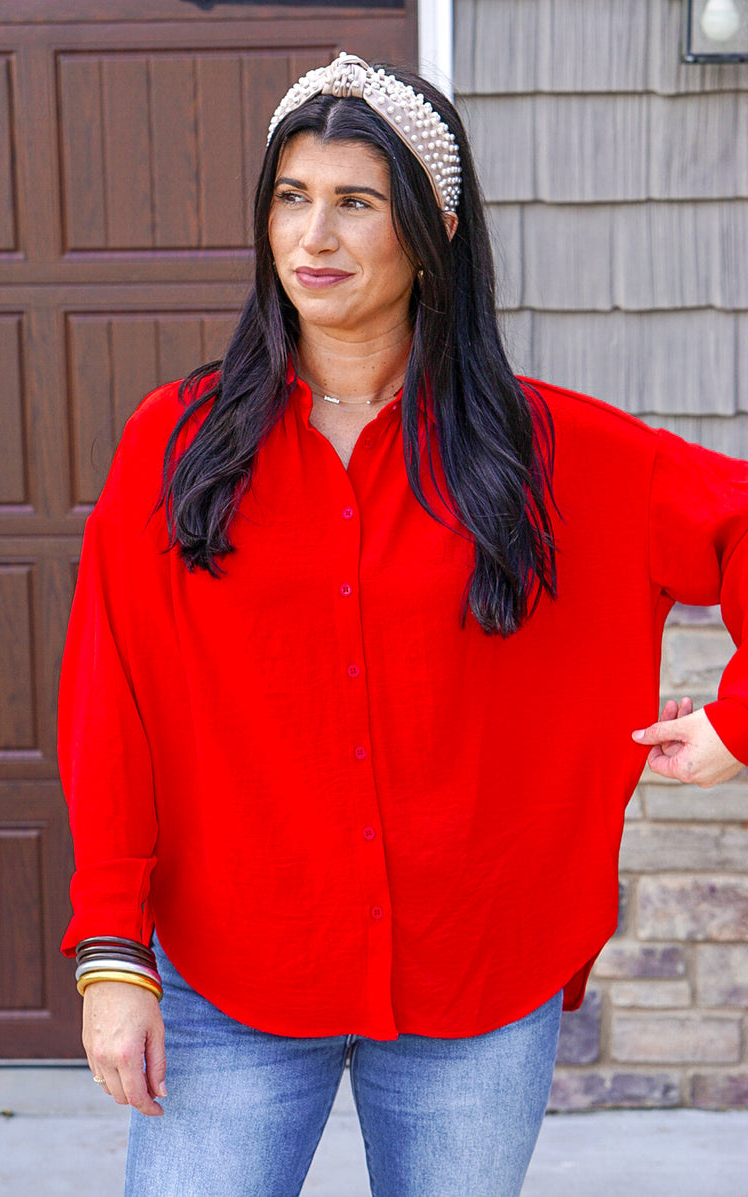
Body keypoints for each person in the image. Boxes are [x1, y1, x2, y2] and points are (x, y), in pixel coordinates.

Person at [59, 53, 748, 1197]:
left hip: (475, 981)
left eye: (354, 202)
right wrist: (111, 956)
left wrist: (733, 722)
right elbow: (108, 701)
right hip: (232, 973)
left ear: (430, 232)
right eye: (290, 197)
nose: (311, 236)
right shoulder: (176, 445)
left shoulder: (554, 455)